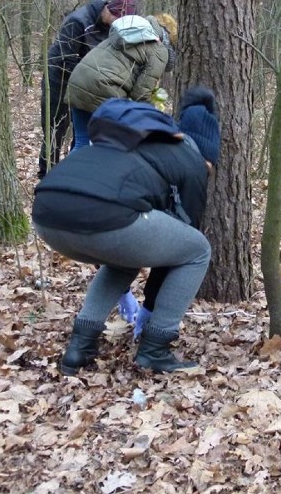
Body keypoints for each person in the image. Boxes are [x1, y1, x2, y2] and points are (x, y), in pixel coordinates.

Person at [32, 87, 221, 375]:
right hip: (104, 215)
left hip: (47, 213)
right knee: (198, 250)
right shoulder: (193, 161)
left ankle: (79, 348)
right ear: (207, 151)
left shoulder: (132, 142)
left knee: (124, 257)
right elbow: (178, 250)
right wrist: (152, 310)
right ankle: (155, 349)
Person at [37, 0, 136, 179]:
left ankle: (74, 174)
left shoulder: (112, 29)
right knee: (54, 131)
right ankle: (47, 174)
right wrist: (89, 73)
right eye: (116, 19)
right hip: (59, 80)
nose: (116, 24)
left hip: (86, 86)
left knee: (82, 133)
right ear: (108, 10)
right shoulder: (78, 21)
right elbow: (63, 58)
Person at [66, 13, 178, 150]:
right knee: (109, 147)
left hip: (79, 79)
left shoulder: (129, 31)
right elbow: (141, 94)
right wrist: (151, 118)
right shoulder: (158, 49)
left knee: (81, 142)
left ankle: (65, 171)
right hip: (104, 89)